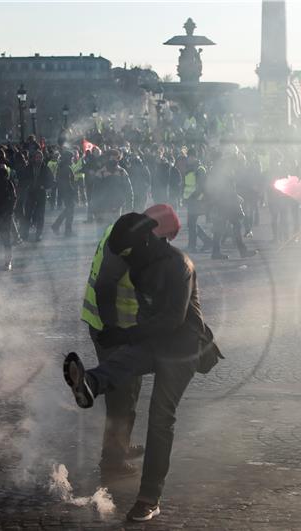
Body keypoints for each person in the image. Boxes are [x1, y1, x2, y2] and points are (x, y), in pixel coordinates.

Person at [64, 211, 215, 522]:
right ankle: (89, 384)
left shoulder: (179, 266)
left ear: (149, 239)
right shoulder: (138, 265)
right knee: (123, 361)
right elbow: (149, 317)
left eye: (129, 254)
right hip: (154, 338)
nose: (127, 262)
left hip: (182, 348)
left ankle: (149, 498)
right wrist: (123, 337)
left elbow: (172, 320)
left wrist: (127, 334)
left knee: (160, 418)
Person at [80, 204, 182, 480]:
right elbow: (104, 286)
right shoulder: (127, 244)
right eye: (165, 238)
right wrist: (111, 328)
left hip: (125, 327)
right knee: (121, 393)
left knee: (131, 385)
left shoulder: (129, 232)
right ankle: (112, 459)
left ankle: (121, 443)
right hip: (110, 327)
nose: (165, 245)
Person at [51, 151, 76, 237]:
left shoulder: (64, 167)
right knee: (70, 211)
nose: (72, 160)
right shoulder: (66, 168)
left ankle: (58, 226)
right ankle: (66, 230)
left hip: (65, 192)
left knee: (68, 210)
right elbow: (67, 182)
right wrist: (73, 192)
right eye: (71, 158)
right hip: (68, 192)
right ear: (67, 159)